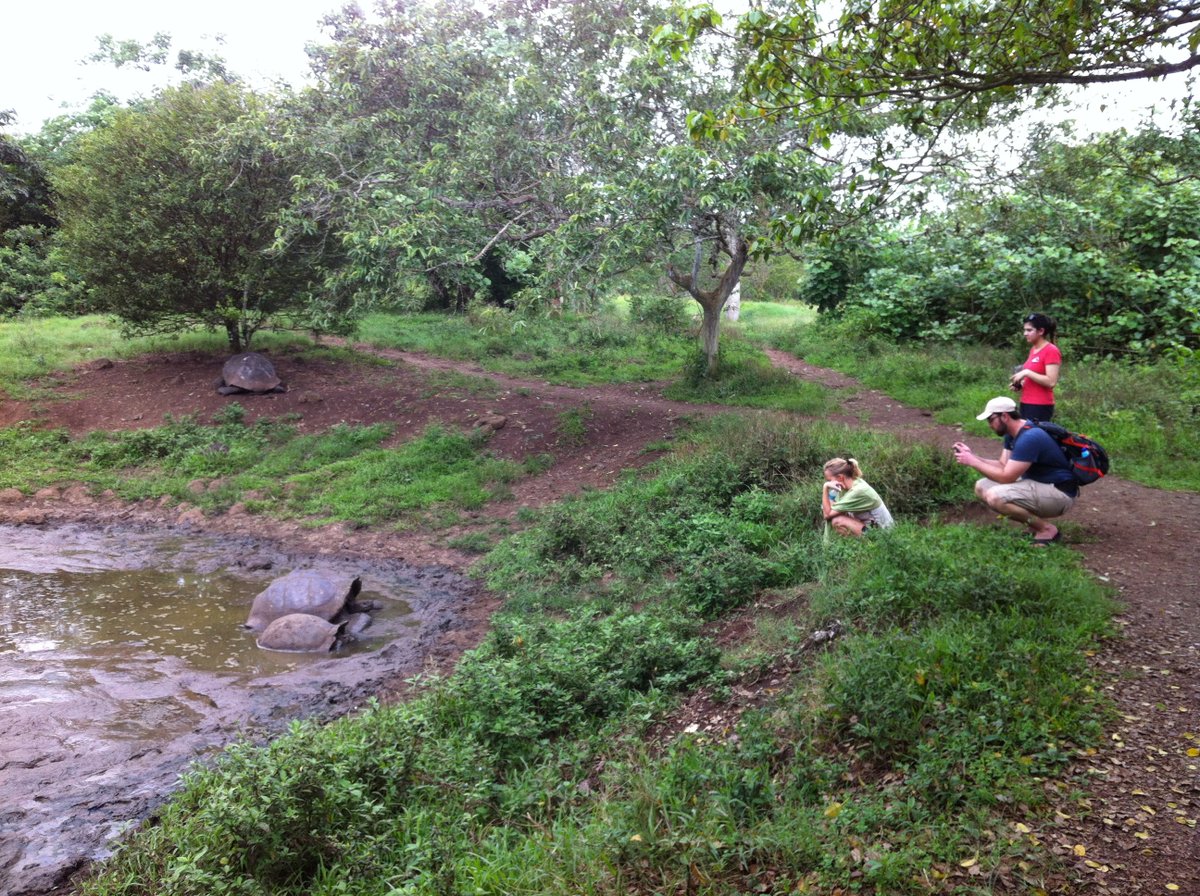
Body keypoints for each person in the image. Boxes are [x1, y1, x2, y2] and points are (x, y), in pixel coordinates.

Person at [953, 396, 1077, 545]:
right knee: (982, 486)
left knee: (995, 496)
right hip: (1041, 485)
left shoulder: (1029, 437)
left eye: (991, 420)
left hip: (1060, 494)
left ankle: (1047, 530)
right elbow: (1002, 465)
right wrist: (973, 457)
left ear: (1004, 416)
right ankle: (1036, 526)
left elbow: (1007, 477)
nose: (989, 425)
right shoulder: (1012, 434)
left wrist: (972, 462)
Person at [821, 457, 894, 537]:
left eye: (829, 480)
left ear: (840, 477)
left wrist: (825, 488)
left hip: (883, 534)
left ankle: (870, 544)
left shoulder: (857, 491)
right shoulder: (851, 483)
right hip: (870, 527)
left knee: (837, 521)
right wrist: (831, 495)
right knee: (838, 515)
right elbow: (830, 509)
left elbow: (827, 515)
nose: (829, 483)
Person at [1009, 312, 1061, 422]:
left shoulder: (1051, 350)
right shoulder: (1034, 349)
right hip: (1026, 402)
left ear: (1041, 331)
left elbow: (1051, 382)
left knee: (1031, 437)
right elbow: (1035, 378)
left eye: (1029, 330)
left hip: (1040, 405)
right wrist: (1020, 384)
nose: (1025, 333)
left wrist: (1027, 372)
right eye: (1024, 330)